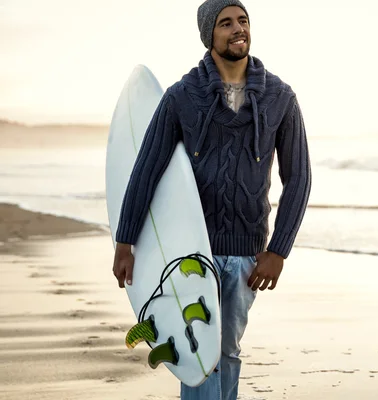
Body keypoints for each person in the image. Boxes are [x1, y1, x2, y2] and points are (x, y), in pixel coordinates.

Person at [111, 0, 312, 398]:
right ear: (209, 36)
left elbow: (300, 179)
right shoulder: (182, 96)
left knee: (227, 352)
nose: (238, 29)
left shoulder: (279, 98)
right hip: (190, 252)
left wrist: (278, 251)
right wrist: (125, 240)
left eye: (243, 21)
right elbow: (146, 170)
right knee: (200, 357)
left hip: (245, 255)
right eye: (226, 23)